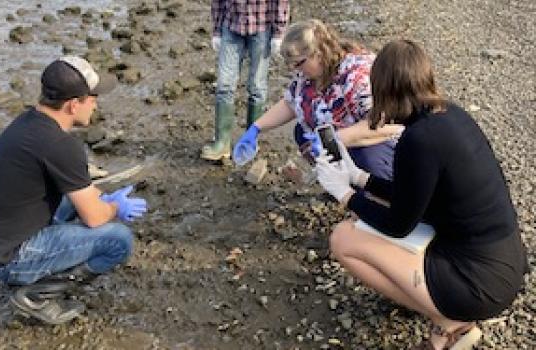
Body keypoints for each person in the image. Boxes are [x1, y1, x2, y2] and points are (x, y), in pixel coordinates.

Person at [314, 40, 528, 349]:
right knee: (373, 227)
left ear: (384, 89)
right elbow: (415, 198)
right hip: (503, 263)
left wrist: (345, 195)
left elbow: (398, 224)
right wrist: (361, 178)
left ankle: (451, 323)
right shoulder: (449, 115)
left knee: (343, 239)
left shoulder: (418, 141)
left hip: (478, 283)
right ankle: (445, 310)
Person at [0, 56, 148, 324]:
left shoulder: (29, 122)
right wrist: (115, 207)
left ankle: (32, 274)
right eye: (92, 98)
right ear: (72, 104)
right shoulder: (60, 145)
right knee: (119, 240)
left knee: (77, 200)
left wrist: (102, 199)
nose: (95, 104)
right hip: (8, 258)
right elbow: (94, 217)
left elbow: (81, 193)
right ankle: (37, 294)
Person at [232, 19, 404, 180]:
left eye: (298, 63)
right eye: (290, 64)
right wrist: (256, 127)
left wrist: (334, 139)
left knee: (368, 158)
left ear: (319, 53)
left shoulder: (357, 76)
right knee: (302, 131)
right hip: (342, 139)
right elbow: (290, 103)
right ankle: (341, 183)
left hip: (379, 142)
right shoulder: (308, 76)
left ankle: (378, 197)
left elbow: (380, 125)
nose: (294, 69)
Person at [201, 0, 290, 161]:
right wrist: (216, 31)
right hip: (231, 25)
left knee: (257, 87)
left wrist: (279, 32)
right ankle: (222, 143)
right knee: (224, 85)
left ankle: (250, 141)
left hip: (262, 26)